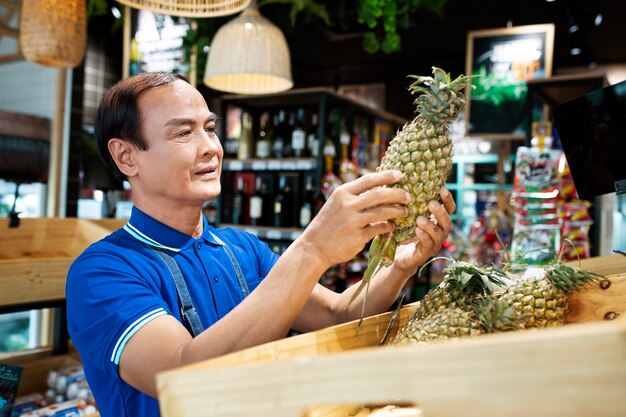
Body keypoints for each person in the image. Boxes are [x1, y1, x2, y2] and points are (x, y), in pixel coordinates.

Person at [66, 72, 455, 417]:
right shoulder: (101, 272)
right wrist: (313, 249)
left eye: (211, 129)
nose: (211, 148)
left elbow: (339, 314)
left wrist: (400, 266)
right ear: (126, 156)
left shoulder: (242, 249)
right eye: (184, 132)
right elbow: (182, 373)